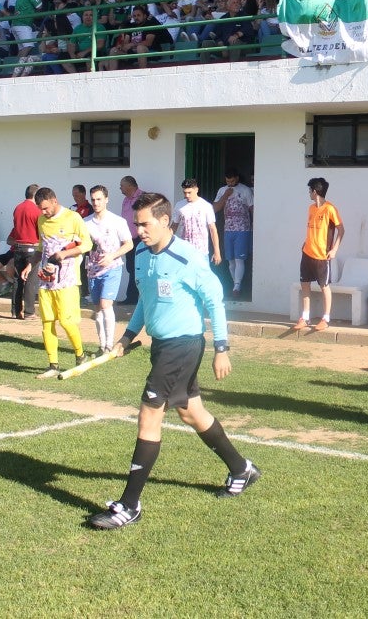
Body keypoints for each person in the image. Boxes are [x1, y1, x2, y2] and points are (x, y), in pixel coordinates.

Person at [87, 192, 260, 529]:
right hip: (162, 346)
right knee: (191, 412)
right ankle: (242, 469)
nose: (139, 231)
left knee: (149, 416)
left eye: (145, 224)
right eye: (136, 224)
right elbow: (146, 300)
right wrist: (126, 337)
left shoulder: (188, 257)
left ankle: (129, 505)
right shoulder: (141, 253)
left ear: (165, 221)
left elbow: (215, 301)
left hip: (183, 346)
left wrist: (221, 348)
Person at [24, 187, 93, 379]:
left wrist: (65, 253)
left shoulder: (73, 217)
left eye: (45, 208)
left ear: (54, 201)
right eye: (40, 209)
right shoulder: (41, 220)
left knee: (66, 321)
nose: (43, 212)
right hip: (46, 280)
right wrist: (30, 265)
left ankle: (80, 355)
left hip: (67, 280)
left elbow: (87, 244)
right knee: (47, 322)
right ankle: (53, 365)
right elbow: (41, 247)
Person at [85, 185, 133, 356]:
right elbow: (81, 245)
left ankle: (110, 345)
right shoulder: (86, 222)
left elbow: (129, 244)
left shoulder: (117, 221)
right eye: (93, 200)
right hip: (93, 269)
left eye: (99, 199)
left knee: (106, 304)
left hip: (112, 268)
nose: (96, 203)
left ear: (106, 199)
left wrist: (112, 256)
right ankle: (102, 345)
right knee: (97, 307)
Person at [0, 184, 41, 320]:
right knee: (30, 281)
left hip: (18, 248)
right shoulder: (37, 210)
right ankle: (29, 312)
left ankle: (15, 311)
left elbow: (16, 228)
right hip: (32, 248)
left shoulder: (18, 208)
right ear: (36, 195)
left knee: (17, 280)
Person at [293, 178, 343, 332]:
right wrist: (305, 242)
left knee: (324, 286)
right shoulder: (311, 208)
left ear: (314, 192)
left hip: (322, 256)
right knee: (305, 283)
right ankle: (305, 317)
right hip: (307, 253)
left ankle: (325, 318)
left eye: (310, 191)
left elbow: (341, 230)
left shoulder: (330, 209)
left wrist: (334, 250)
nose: (309, 193)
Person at [213, 169, 254, 299]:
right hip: (228, 230)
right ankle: (236, 284)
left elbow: (252, 208)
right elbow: (215, 209)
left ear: (237, 178)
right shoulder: (222, 190)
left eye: (232, 181)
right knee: (230, 261)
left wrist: (255, 226)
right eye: (227, 181)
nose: (230, 183)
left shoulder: (245, 190)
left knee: (239, 259)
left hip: (243, 229)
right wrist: (225, 195)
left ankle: (236, 287)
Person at [171, 179, 221, 265]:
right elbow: (174, 226)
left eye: (189, 192)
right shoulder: (179, 205)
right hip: (184, 251)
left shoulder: (206, 206)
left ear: (196, 190)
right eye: (184, 193)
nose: (187, 195)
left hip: (201, 252)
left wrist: (217, 251)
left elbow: (213, 229)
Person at [120, 176, 144, 303]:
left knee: (139, 268)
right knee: (130, 268)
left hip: (141, 239)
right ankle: (132, 297)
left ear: (130, 186)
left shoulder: (142, 197)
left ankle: (135, 297)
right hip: (129, 240)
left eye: (122, 185)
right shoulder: (125, 200)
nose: (120, 188)